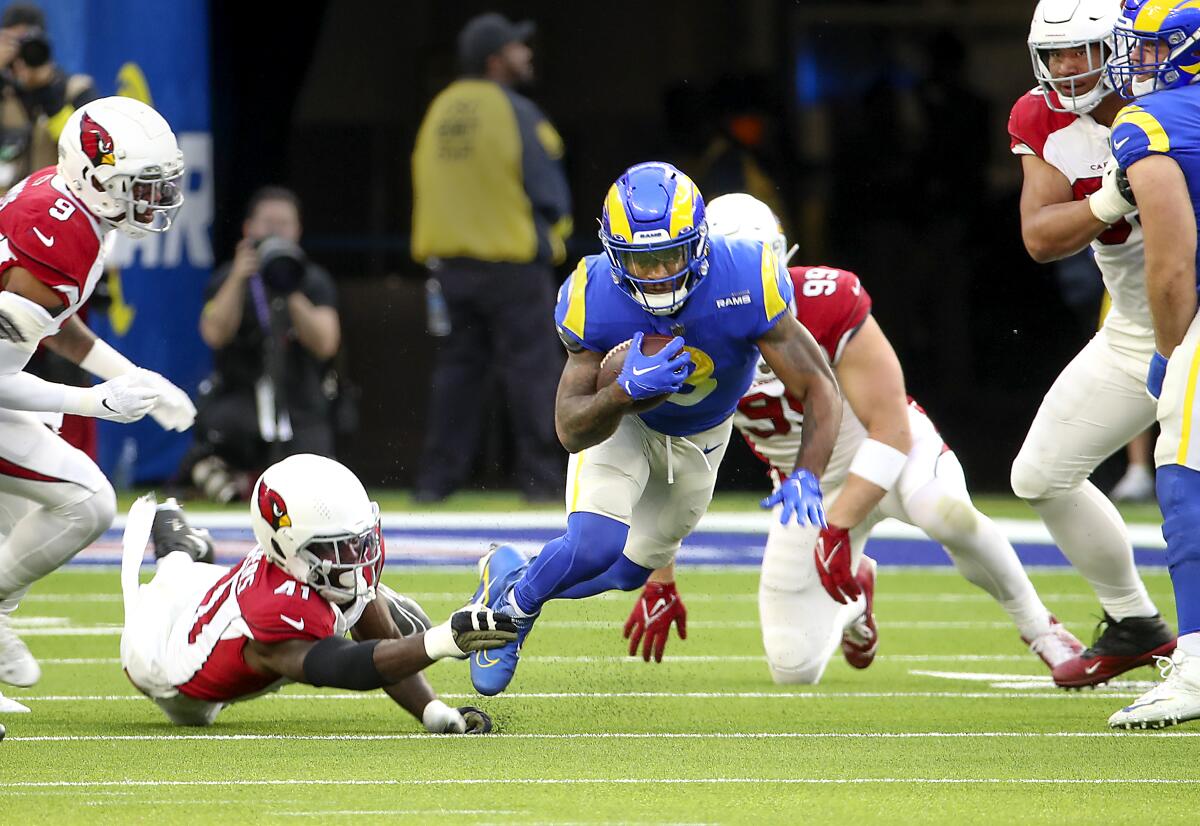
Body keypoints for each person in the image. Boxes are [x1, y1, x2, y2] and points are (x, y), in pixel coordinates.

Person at [623, 194, 1084, 680]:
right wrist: (660, 576)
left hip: (890, 454)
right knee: (792, 667)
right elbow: (672, 457)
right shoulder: (683, 332)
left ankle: (1042, 630)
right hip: (807, 492)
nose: (748, 287)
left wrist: (840, 528)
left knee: (943, 512)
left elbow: (891, 428)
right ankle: (857, 600)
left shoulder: (827, 301)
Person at [462, 162, 842, 696]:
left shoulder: (748, 277)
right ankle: (512, 615)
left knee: (625, 572)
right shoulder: (592, 292)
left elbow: (820, 386)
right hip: (627, 423)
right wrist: (621, 393)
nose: (661, 272)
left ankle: (511, 576)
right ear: (616, 255)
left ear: (702, 244)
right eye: (643, 260)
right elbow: (569, 428)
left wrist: (808, 473)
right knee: (594, 543)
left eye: (672, 255)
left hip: (703, 437)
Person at [0, 96, 196, 712]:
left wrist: (132, 374)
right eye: (141, 187)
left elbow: (53, 323)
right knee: (88, 502)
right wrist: (97, 401)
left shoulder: (72, 212)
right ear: (96, 178)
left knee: (17, 512)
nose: (155, 201)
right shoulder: (58, 233)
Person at [1007, 0, 1174, 689]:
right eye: (1056, 54)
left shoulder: (1170, 100)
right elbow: (1041, 236)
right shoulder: (1039, 116)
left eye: (1083, 50)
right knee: (1040, 475)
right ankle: (1135, 622)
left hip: (1191, 316)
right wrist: (1110, 199)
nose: (1068, 68)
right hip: (1138, 328)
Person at [119, 454, 513, 731]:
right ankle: (173, 541)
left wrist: (432, 711)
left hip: (219, 605)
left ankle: (183, 547)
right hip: (164, 665)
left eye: (358, 541)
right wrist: (443, 639)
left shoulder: (305, 564)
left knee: (400, 625)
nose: (355, 555)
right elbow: (347, 667)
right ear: (288, 547)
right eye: (335, 546)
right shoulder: (273, 607)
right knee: (171, 580)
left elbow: (382, 641)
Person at [410, 11, 571, 503]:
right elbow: (550, 195)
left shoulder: (439, 111)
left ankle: (435, 484)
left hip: (450, 271)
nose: (528, 55)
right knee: (532, 375)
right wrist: (553, 240)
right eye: (519, 48)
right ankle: (542, 481)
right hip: (513, 270)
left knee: (457, 379)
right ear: (496, 60)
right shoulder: (517, 112)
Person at [1104, 0, 1200, 729]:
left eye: (1145, 48)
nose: (1133, 62)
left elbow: (1169, 267)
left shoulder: (1153, 120)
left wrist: (1170, 353)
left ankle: (1196, 667)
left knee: (1182, 471)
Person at [188, 186, 340, 501]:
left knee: (316, 479)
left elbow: (327, 343)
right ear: (248, 229)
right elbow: (214, 334)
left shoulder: (312, 280)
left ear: (297, 231)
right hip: (241, 398)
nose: (275, 231)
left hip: (300, 402)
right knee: (210, 446)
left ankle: (249, 485)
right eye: (267, 223)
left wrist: (289, 287)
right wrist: (239, 278)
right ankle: (240, 480)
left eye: (284, 224)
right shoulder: (228, 277)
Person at [0, 3, 98, 191]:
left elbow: (87, 152)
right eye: (13, 43)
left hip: (54, 201)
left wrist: (48, 93)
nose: (21, 53)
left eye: (28, 44)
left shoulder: (74, 89)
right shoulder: (4, 91)